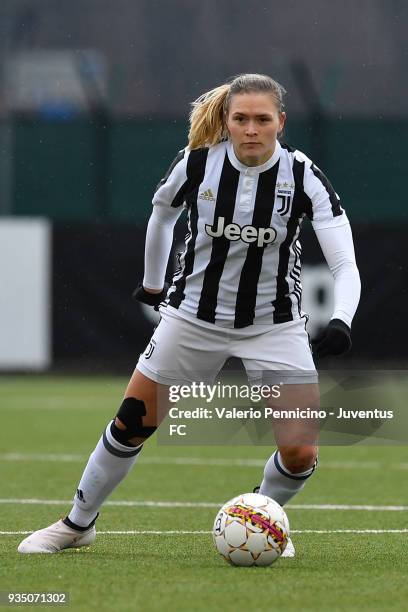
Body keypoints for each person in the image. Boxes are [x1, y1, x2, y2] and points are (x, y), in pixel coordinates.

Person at [18, 73, 360, 556]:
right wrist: (154, 282)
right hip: (193, 318)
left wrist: (342, 317)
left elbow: (345, 263)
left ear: (280, 122)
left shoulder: (304, 176)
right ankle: (77, 524)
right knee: (132, 421)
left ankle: (258, 516)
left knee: (301, 452)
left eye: (263, 119)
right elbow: (161, 212)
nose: (251, 129)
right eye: (240, 119)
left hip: (275, 326)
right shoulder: (197, 165)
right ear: (226, 120)